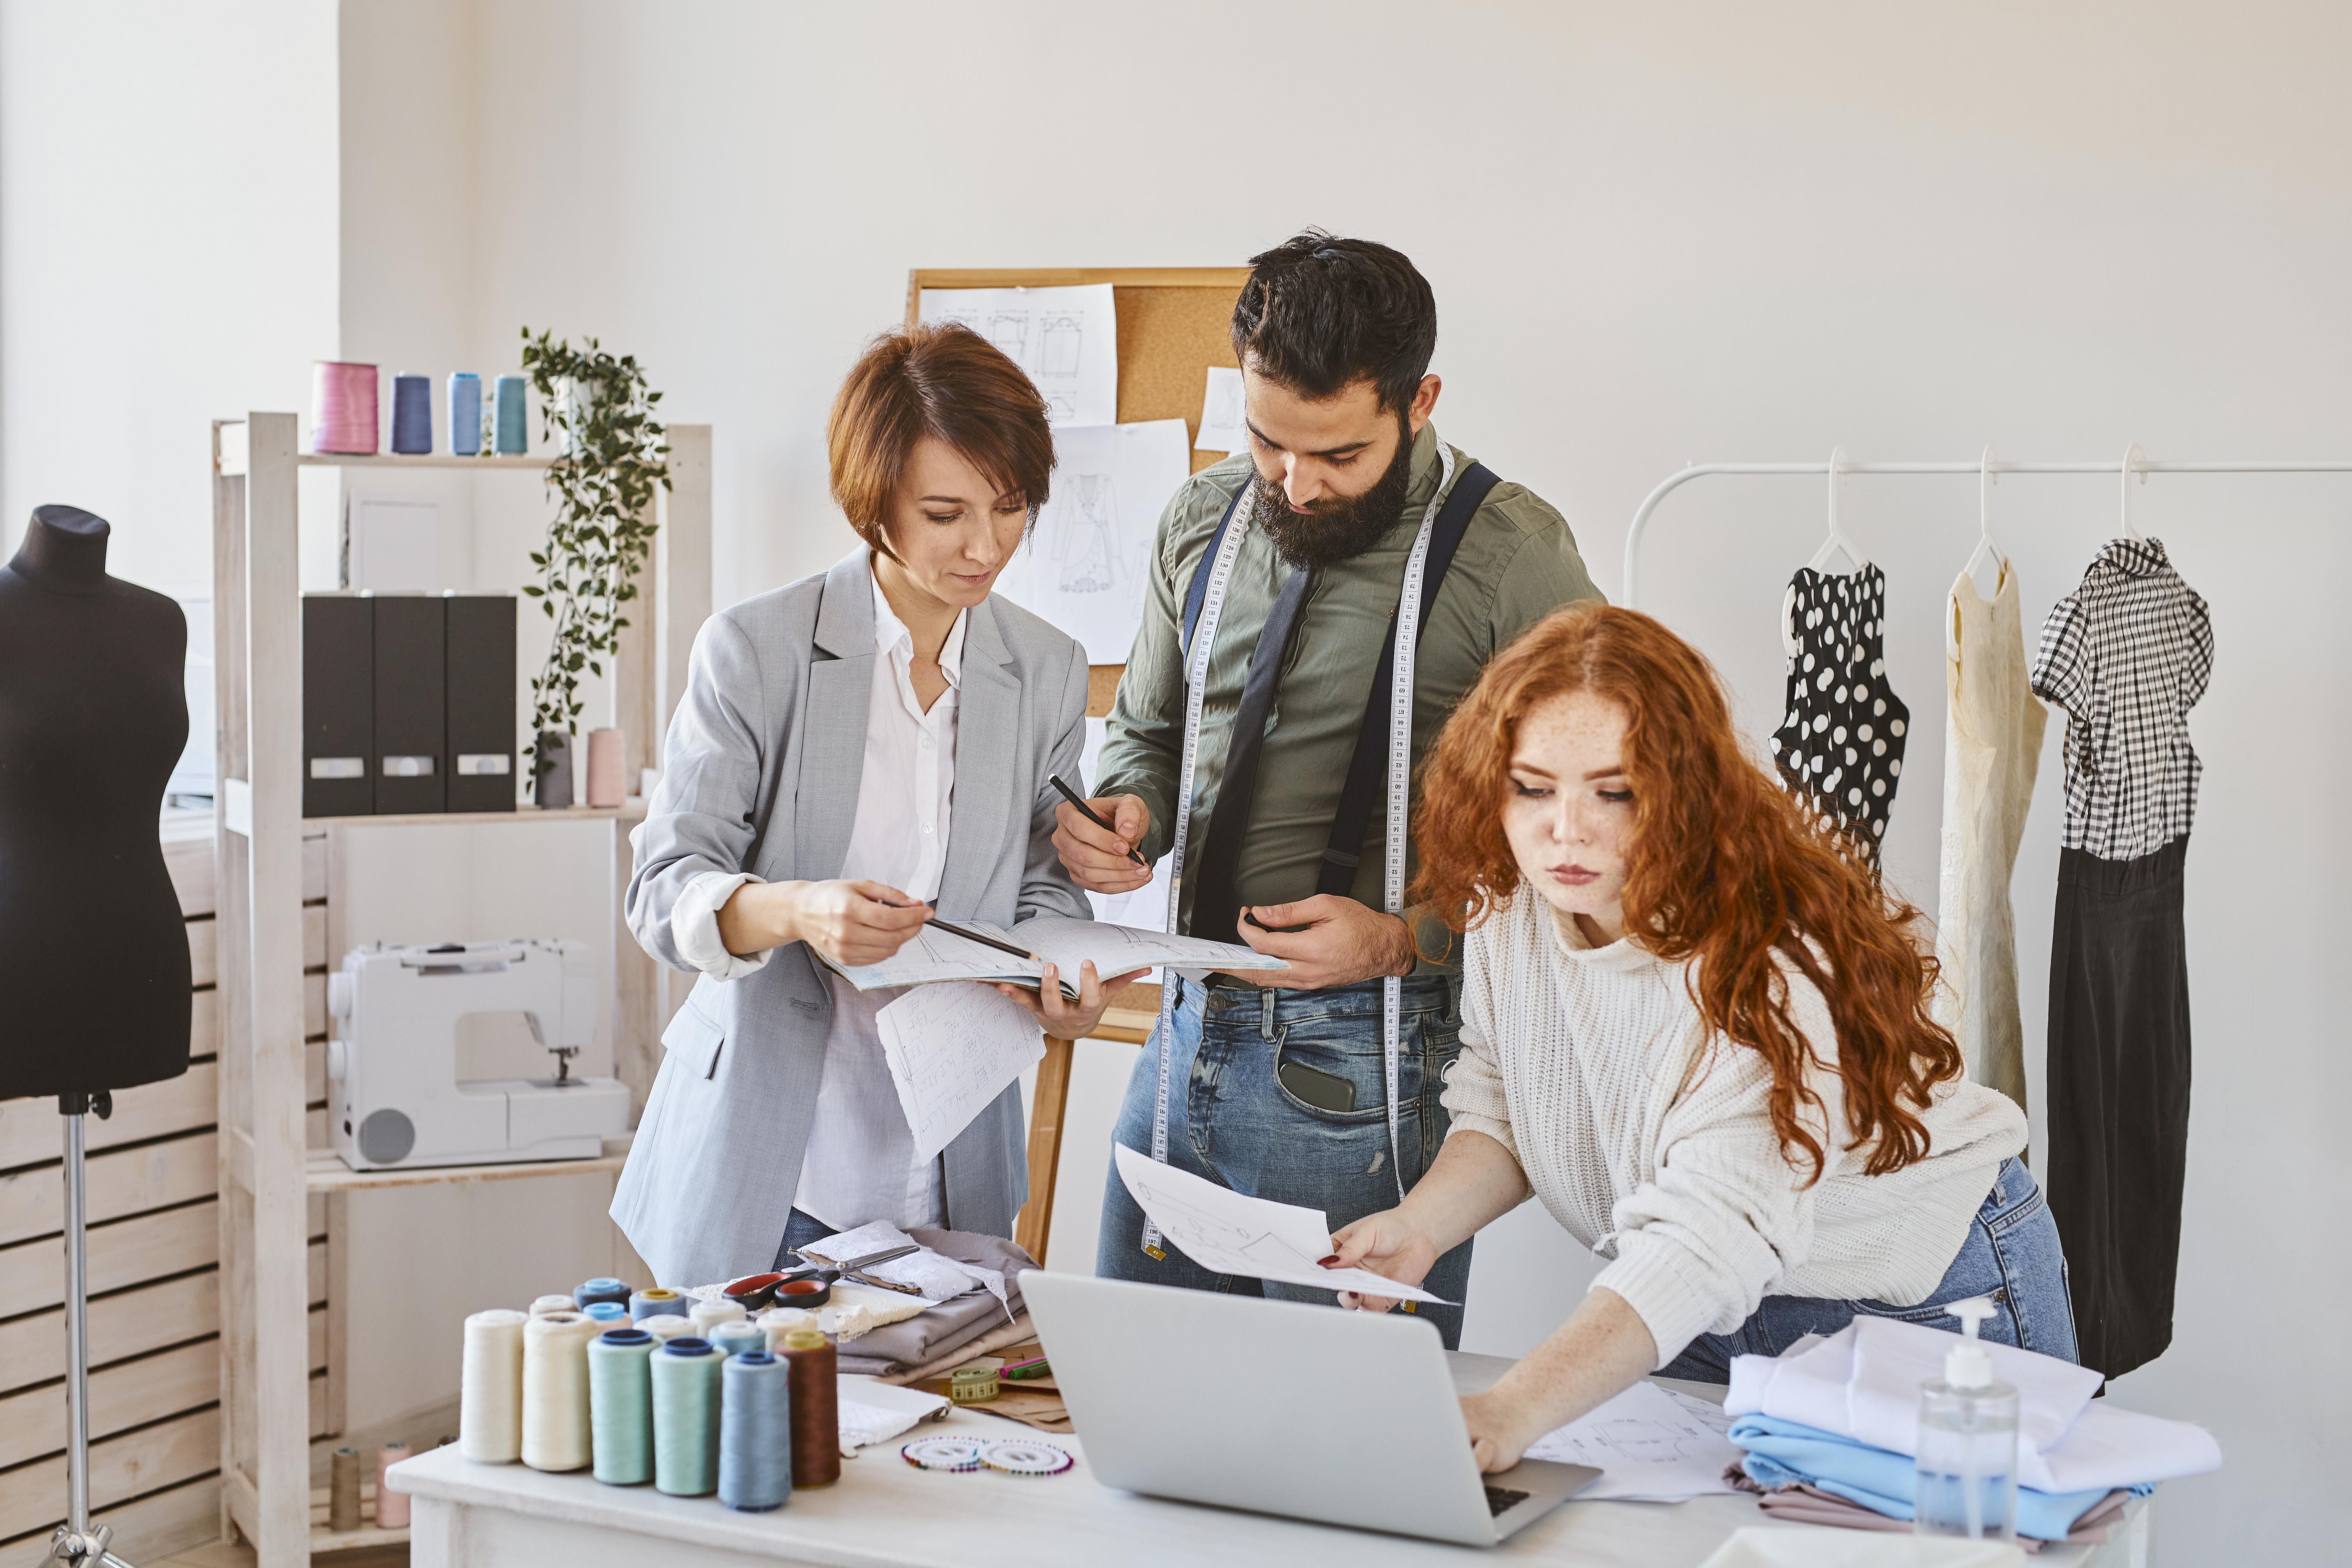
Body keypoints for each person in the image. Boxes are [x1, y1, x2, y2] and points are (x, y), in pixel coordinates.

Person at [1330, 602, 2066, 1471]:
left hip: (1908, 1297)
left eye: (1615, 792)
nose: (1565, 830)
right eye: (1532, 787)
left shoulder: (1771, 954)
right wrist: (1421, 1225)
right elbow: (1505, 1099)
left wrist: (1515, 1406)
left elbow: (1710, 1235)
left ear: (1683, 789)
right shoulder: (1514, 901)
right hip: (1685, 1301)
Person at [1058, 232, 1603, 1344]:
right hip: (1178, 1033)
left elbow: (1599, 833)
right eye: (1267, 442)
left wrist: (1404, 939)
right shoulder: (1200, 519)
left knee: (1349, 1454)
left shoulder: (1514, 557)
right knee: (1137, 1406)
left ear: (1419, 401)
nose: (1296, 485)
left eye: (1338, 456)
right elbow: (1148, 730)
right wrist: (1131, 809)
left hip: (1367, 1066)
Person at [613, 324, 1140, 1289]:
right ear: (875, 506)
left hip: (949, 1155)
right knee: (766, 1440)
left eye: (1011, 507)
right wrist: (799, 910)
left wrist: (1060, 986)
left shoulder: (1048, 669)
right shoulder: (756, 650)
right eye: (945, 513)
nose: (986, 546)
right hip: (771, 1155)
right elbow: (662, 888)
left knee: (935, 1438)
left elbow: (1042, 892)